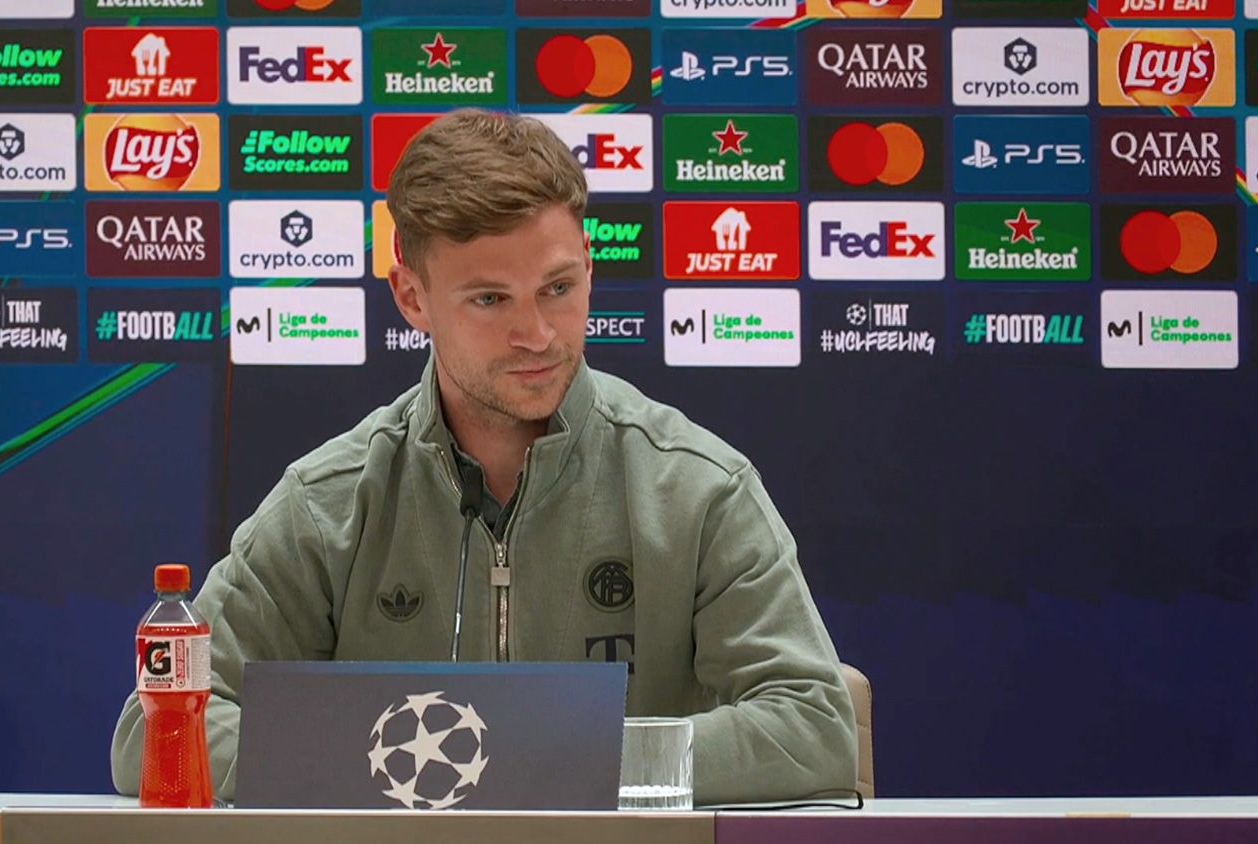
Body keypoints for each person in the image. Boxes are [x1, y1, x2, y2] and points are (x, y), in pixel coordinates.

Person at [111, 108, 857, 805]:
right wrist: (408, 761)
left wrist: (564, 759)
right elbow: (153, 734)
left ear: (590, 266)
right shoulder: (328, 503)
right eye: (491, 300)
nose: (538, 334)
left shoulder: (699, 489)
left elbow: (814, 726)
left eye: (558, 288)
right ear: (412, 297)